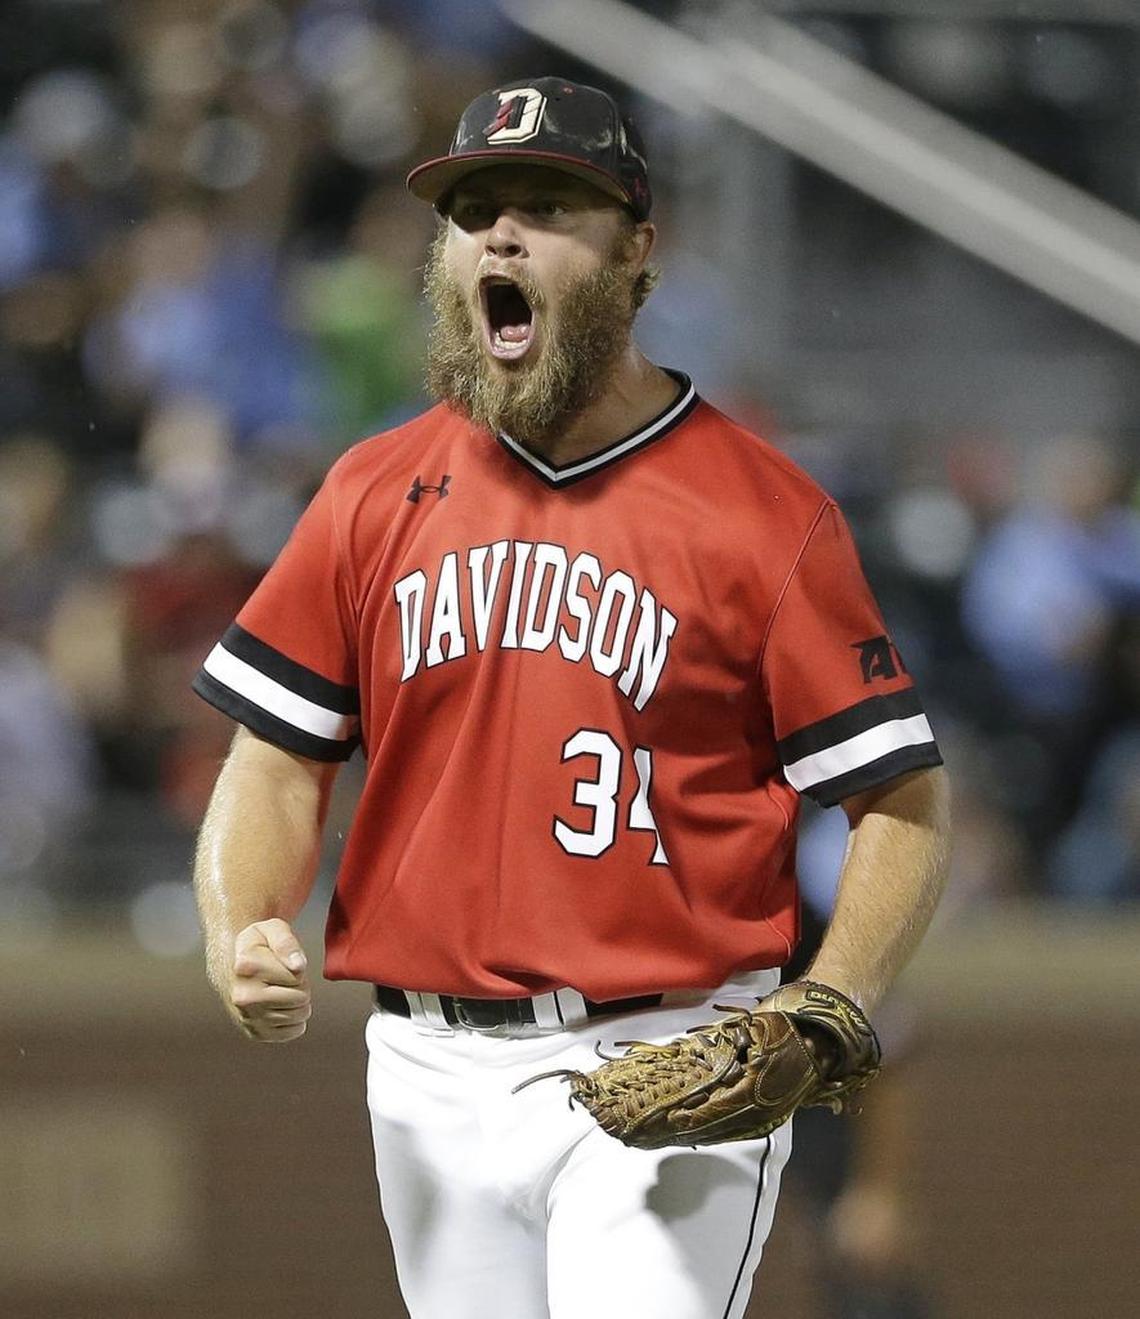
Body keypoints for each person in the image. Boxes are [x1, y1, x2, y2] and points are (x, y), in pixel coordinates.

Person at [191, 77, 951, 1319]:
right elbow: (275, 753)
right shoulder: (373, 492)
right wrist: (240, 927)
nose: (500, 233)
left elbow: (902, 796)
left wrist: (830, 1003)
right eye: (475, 207)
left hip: (674, 1049)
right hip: (426, 1067)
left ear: (637, 250)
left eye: (549, 205)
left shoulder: (763, 514)